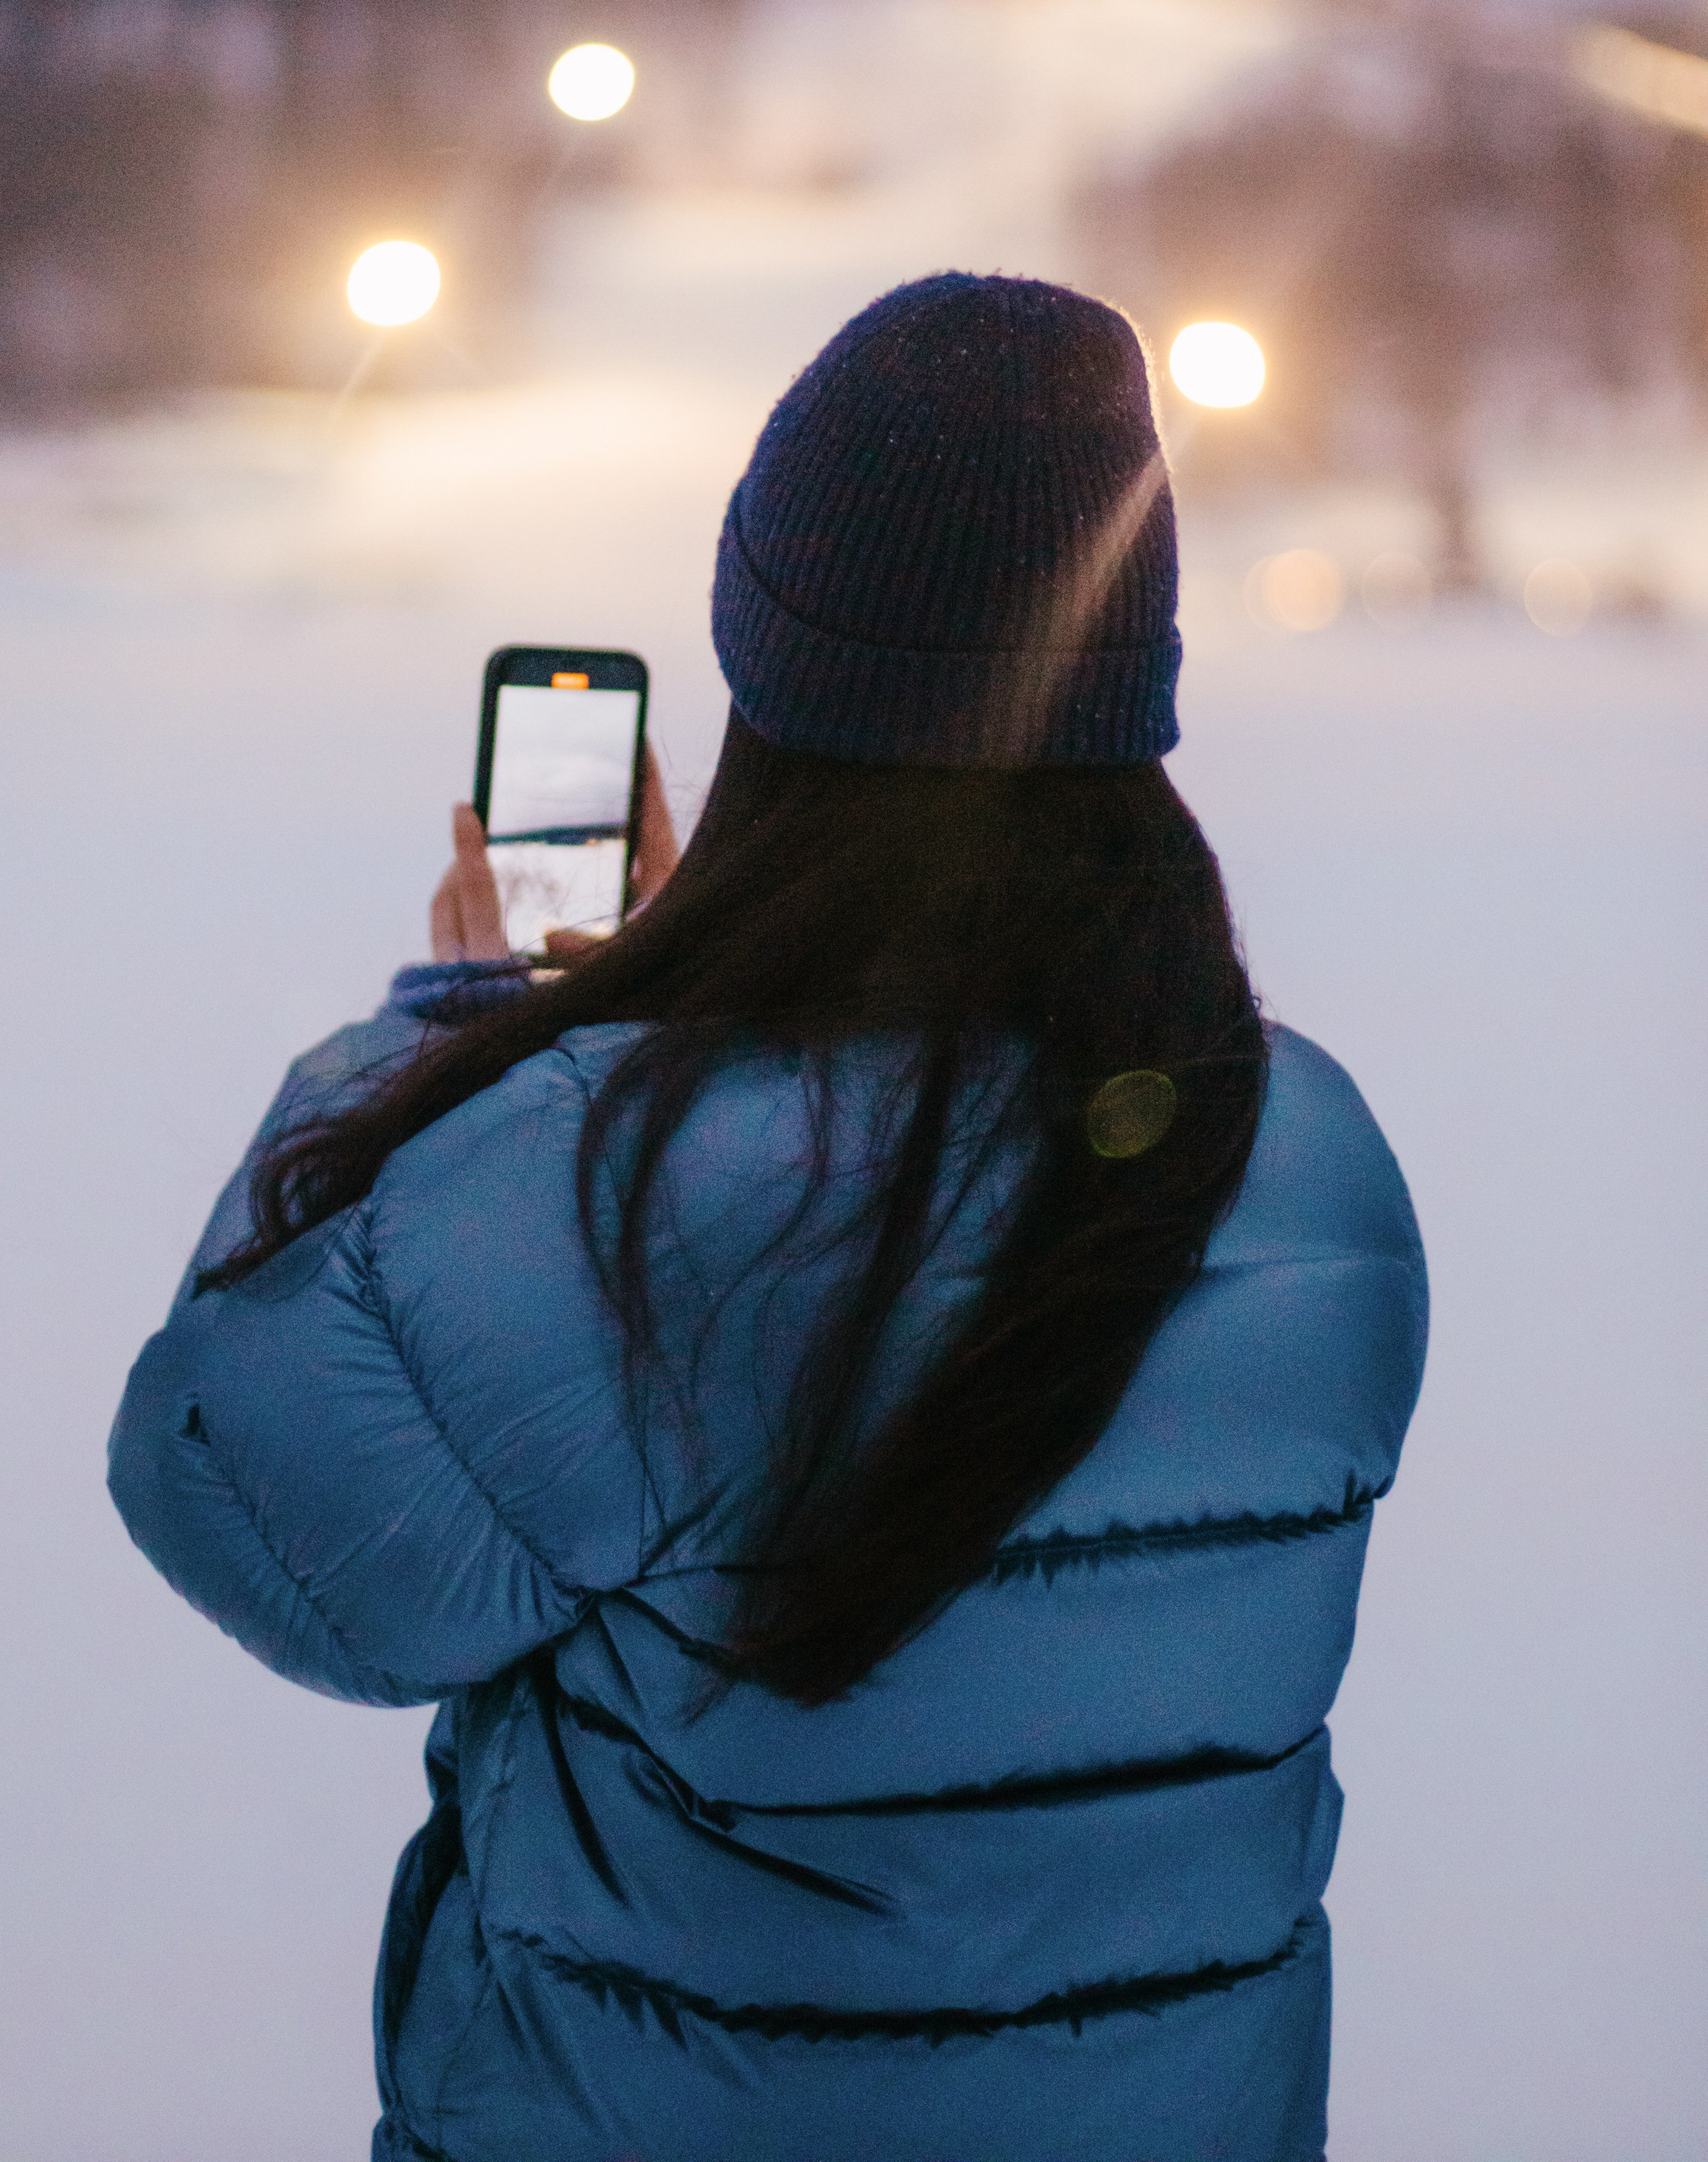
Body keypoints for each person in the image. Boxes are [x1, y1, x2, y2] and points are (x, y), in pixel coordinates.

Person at [110, 272, 1426, 2162]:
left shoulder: (598, 1183)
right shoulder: (1306, 1161)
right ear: (1125, 682)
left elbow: (243, 1500)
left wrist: (474, 1038)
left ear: (769, 675)